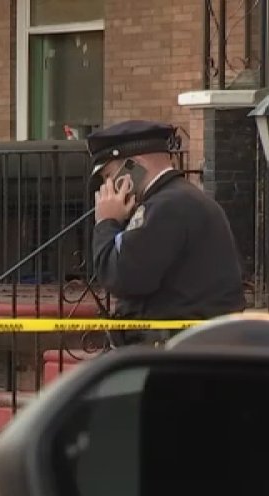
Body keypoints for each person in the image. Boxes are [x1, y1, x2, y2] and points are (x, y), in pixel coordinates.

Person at [87, 120, 246, 346]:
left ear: (134, 166)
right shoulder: (177, 199)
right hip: (185, 345)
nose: (107, 186)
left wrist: (106, 222)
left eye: (108, 175)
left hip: (176, 350)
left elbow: (122, 278)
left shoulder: (166, 206)